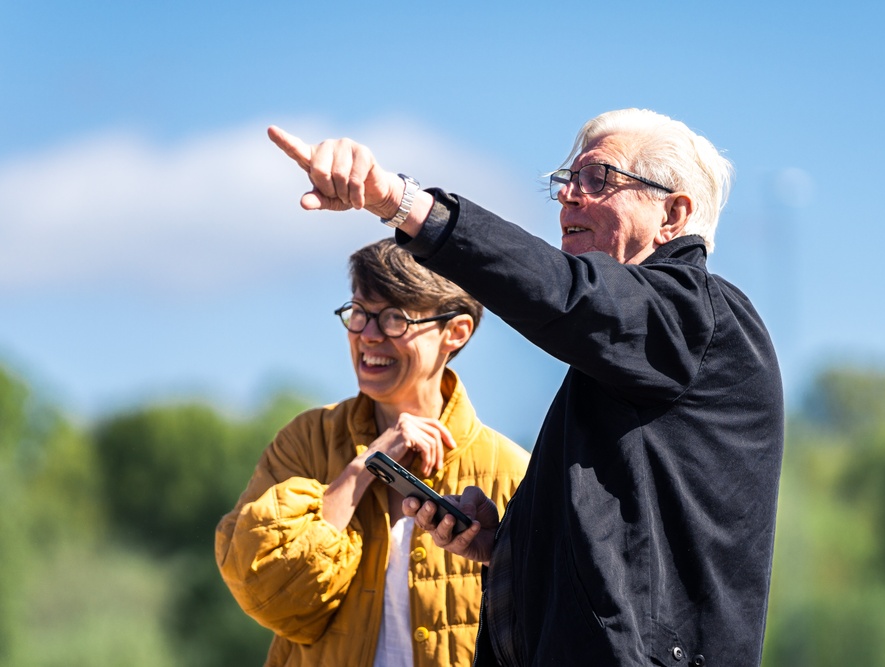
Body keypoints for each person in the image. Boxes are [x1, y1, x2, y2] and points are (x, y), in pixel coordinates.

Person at [268, 108, 785, 667]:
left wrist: (400, 201)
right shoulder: (633, 354)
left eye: (598, 179)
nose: (568, 196)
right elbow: (624, 560)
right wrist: (509, 546)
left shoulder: (695, 315)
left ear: (672, 214)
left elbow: (566, 293)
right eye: (565, 182)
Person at [215, 238, 529, 667]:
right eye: (359, 313)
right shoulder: (307, 441)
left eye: (394, 319)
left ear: (455, 332)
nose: (368, 335)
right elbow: (264, 591)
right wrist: (362, 468)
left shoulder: (511, 472)